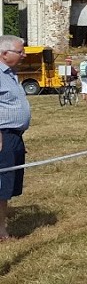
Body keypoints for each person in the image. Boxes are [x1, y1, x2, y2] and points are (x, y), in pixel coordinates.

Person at [0, 35, 32, 241]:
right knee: (1, 185)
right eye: (20, 52)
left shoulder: (11, 74)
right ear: (4, 54)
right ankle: (1, 231)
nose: (24, 55)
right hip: (3, 136)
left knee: (7, 185)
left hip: (13, 137)